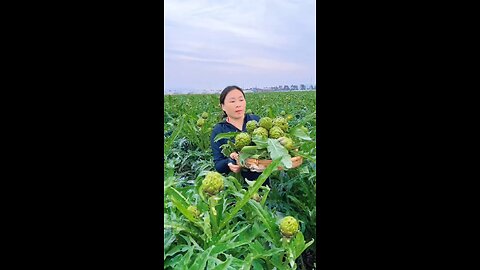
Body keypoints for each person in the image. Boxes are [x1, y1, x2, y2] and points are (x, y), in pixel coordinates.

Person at [210, 85, 269, 185]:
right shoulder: (219, 130)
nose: (238, 104)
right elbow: (218, 164)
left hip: (262, 182)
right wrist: (229, 162)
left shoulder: (256, 121)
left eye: (241, 100)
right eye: (232, 101)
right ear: (223, 106)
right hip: (237, 187)